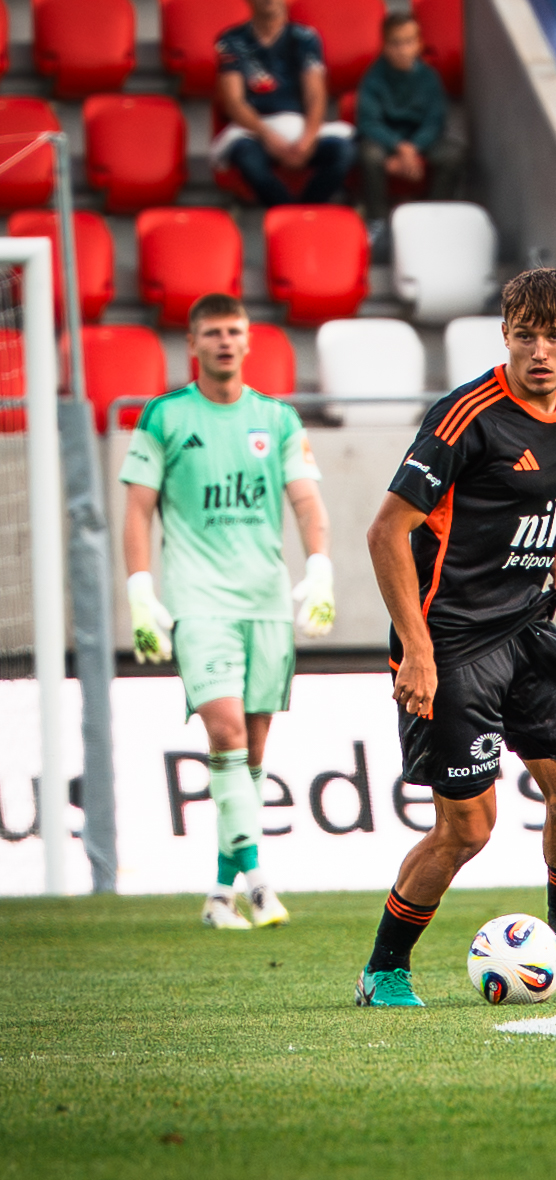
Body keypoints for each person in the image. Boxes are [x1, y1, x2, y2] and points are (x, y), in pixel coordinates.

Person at [356, 268, 556, 1006]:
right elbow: (386, 532)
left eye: (555, 336)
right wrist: (416, 650)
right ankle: (385, 968)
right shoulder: (464, 417)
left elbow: (521, 495)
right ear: (505, 336)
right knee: (468, 829)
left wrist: (553, 549)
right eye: (525, 336)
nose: (540, 351)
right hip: (452, 645)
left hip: (528, 630)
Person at [119, 294, 336, 929]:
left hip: (265, 602)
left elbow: (306, 502)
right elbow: (137, 510)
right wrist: (140, 590)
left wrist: (319, 566)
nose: (224, 341)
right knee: (226, 735)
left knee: (252, 754)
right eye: (211, 332)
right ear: (191, 343)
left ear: (247, 341)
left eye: (233, 331)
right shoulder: (164, 416)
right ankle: (261, 884)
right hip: (199, 602)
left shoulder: (278, 418)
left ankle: (220, 894)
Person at [213, 0, 356, 207]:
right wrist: (268, 136)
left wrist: (308, 139)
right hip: (254, 130)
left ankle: (307, 210)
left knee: (344, 152)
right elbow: (234, 101)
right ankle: (288, 212)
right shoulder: (231, 40)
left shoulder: (305, 38)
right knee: (249, 160)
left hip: (299, 126)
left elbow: (315, 94)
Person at [356, 11, 467, 250]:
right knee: (369, 154)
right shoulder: (373, 77)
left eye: (408, 42)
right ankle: (378, 223)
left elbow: (435, 122)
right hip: (386, 144)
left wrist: (413, 148)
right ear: (385, 46)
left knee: (453, 153)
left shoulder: (429, 78)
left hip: (421, 143)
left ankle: (436, 219)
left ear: (419, 44)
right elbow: (369, 123)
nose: (403, 50)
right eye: (395, 43)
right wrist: (400, 147)